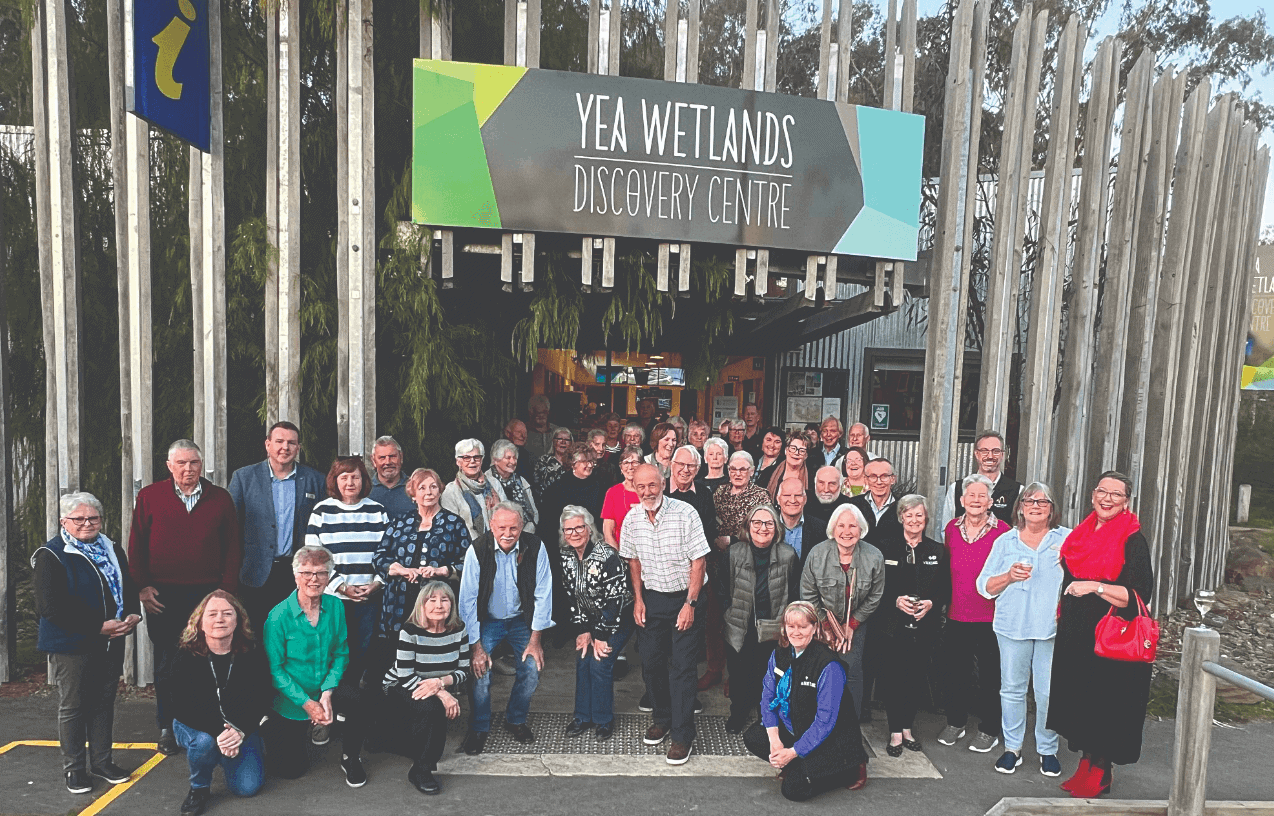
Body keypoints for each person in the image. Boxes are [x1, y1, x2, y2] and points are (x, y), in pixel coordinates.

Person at [130, 439, 241, 755]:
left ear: (201, 464)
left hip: (208, 595)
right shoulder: (150, 497)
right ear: (169, 466)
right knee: (167, 663)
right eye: (181, 463)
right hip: (163, 595)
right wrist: (141, 586)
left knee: (209, 659)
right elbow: (136, 544)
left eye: (194, 462)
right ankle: (167, 725)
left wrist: (226, 591)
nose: (189, 469)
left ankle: (209, 721)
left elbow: (233, 547)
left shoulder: (220, 499)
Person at [1047, 472, 1153, 799]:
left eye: (1116, 495)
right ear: (1093, 494)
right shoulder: (1082, 531)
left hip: (1109, 635)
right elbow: (1069, 576)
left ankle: (1101, 772)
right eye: (1102, 492)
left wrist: (1094, 585)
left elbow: (1140, 594)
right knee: (1080, 700)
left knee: (1103, 703)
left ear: (1126, 502)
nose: (1107, 499)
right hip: (1077, 633)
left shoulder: (1132, 538)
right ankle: (1085, 765)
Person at [34, 492, 141, 794]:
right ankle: (74, 770)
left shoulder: (111, 547)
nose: (87, 523)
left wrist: (133, 614)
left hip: (111, 641)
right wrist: (97, 626)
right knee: (74, 706)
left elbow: (126, 585)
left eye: (93, 518)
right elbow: (49, 608)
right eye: (78, 519)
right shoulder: (51, 554)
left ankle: (103, 762)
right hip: (72, 645)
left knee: (103, 703)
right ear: (63, 522)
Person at [977, 482, 1069, 777]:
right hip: (1012, 625)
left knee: (1047, 693)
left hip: (1051, 627)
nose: (1036, 506)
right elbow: (984, 587)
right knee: (1013, 690)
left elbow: (1084, 575)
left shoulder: (1066, 539)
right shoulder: (1005, 541)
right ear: (1020, 508)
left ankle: (1047, 749)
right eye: (1030, 501)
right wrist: (1008, 576)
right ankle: (1012, 748)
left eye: (1043, 502)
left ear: (1052, 509)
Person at [621, 463, 711, 765]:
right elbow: (633, 561)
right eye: (641, 486)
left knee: (683, 668)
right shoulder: (632, 519)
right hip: (652, 598)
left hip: (685, 598)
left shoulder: (686, 513)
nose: (647, 491)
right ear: (634, 487)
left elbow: (699, 562)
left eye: (653, 485)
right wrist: (638, 599)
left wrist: (691, 604)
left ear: (664, 482)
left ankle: (683, 735)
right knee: (651, 662)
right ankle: (662, 718)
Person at [743, 601, 869, 801]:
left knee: (794, 790)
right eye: (791, 626)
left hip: (830, 739)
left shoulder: (829, 665)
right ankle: (800, 766)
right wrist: (776, 742)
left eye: (803, 627)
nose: (796, 632)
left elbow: (825, 722)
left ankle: (850, 766)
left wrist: (792, 753)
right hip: (797, 727)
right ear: (784, 628)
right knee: (753, 737)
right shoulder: (779, 654)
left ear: (815, 628)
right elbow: (767, 699)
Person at [457, 502, 554, 755]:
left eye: (513, 527)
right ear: (491, 526)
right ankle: (479, 727)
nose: (508, 533)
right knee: (479, 672)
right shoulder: (477, 550)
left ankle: (516, 719)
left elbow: (543, 594)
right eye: (502, 528)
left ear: (522, 526)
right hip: (487, 620)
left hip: (522, 620)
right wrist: (476, 647)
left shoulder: (535, 546)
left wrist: (536, 640)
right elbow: (467, 599)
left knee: (531, 669)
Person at [261, 545, 361, 786]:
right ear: (295, 576)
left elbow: (341, 653)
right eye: (306, 572)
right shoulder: (277, 617)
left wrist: (327, 694)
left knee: (358, 700)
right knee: (291, 770)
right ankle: (270, 726)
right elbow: (275, 670)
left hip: (326, 687)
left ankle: (351, 757)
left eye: (321, 572)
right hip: (293, 699)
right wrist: (307, 703)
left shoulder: (336, 606)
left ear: (329, 577)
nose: (314, 579)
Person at [169, 591, 270, 815]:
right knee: (204, 743)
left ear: (238, 620)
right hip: (196, 725)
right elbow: (180, 705)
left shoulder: (252, 653)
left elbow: (262, 698)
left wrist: (240, 732)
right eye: (212, 614)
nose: (219, 619)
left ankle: (228, 753)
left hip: (239, 728)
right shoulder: (185, 655)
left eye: (227, 613)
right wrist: (220, 734)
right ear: (200, 622)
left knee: (247, 788)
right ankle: (199, 788)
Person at [228, 422, 324, 642]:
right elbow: (231, 527)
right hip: (255, 574)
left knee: (296, 636)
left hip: (297, 574)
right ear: (267, 444)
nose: (285, 447)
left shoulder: (315, 480)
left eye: (291, 442)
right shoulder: (244, 478)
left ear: (298, 448)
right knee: (254, 637)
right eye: (279, 441)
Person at [937, 473, 1010, 753]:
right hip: (957, 613)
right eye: (971, 496)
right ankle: (956, 722)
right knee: (957, 673)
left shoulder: (1003, 531)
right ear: (961, 500)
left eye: (982, 496)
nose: (976, 500)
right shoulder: (951, 529)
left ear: (990, 501)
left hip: (991, 616)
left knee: (991, 676)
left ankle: (989, 728)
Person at [378, 581, 470, 795]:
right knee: (432, 708)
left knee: (431, 707)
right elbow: (404, 675)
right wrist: (442, 692)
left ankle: (423, 762)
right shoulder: (410, 631)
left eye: (444, 600)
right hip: (398, 685)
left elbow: (464, 670)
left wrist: (439, 683)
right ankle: (421, 770)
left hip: (430, 686)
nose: (439, 605)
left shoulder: (459, 629)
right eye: (432, 600)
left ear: (451, 605)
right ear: (422, 605)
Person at [305, 456, 389, 691]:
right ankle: (332, 702)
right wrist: (341, 586)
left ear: (364, 480)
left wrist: (376, 584)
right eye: (344, 477)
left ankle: (352, 705)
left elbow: (388, 553)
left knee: (362, 653)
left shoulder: (377, 512)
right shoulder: (322, 512)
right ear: (335, 480)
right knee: (335, 651)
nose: (350, 482)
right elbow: (314, 556)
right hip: (334, 597)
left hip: (369, 597)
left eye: (356, 476)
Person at [875, 495, 949, 757]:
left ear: (926, 518)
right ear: (901, 518)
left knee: (915, 679)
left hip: (924, 627)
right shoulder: (886, 548)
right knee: (894, 678)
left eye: (919, 515)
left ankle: (908, 728)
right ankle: (895, 731)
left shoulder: (937, 550)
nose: (914, 520)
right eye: (909, 515)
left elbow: (946, 589)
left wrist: (931, 603)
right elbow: (877, 587)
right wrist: (895, 601)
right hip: (892, 627)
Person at [799, 503, 885, 720]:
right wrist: (827, 628)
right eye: (841, 526)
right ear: (832, 529)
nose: (847, 532)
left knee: (852, 671)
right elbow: (808, 593)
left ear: (861, 529)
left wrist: (852, 625)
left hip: (855, 621)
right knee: (820, 669)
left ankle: (850, 724)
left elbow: (875, 595)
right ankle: (816, 722)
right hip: (822, 621)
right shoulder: (817, 554)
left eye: (852, 526)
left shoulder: (874, 556)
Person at [721, 504, 800, 733]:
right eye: (757, 522)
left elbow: (794, 591)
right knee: (738, 675)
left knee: (766, 676)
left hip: (772, 627)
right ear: (748, 526)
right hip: (740, 625)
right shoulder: (734, 553)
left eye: (768, 523)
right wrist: (729, 613)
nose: (762, 528)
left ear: (776, 528)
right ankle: (738, 714)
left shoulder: (788, 555)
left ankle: (764, 716)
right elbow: (723, 587)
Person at [558, 506, 634, 742]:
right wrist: (582, 630)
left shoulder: (607, 555)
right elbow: (570, 594)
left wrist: (600, 634)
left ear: (589, 529)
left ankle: (603, 719)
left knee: (599, 663)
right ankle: (582, 717)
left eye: (579, 527)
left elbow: (616, 599)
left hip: (618, 619)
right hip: (589, 620)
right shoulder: (566, 555)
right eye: (568, 529)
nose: (574, 533)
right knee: (583, 659)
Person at [373, 468, 472, 638]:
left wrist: (442, 570)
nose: (429, 492)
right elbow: (379, 557)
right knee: (397, 653)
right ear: (413, 494)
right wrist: (400, 569)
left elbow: (470, 563)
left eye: (433, 487)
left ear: (440, 491)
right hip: (399, 602)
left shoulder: (454, 523)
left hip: (437, 602)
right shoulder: (399, 522)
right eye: (422, 488)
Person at [667, 445, 723, 692]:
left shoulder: (704, 493)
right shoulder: (660, 491)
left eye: (691, 466)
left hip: (695, 568)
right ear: (671, 465)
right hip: (664, 571)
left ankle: (686, 689)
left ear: (698, 470)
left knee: (692, 630)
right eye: (680, 464)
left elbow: (709, 531)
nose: (685, 470)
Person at [940, 431, 1022, 528]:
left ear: (1002, 455)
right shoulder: (957, 489)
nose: (990, 456)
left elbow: (1020, 530)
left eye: (995, 451)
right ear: (976, 454)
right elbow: (946, 530)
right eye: (984, 451)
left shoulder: (1018, 491)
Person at [540, 443, 607, 551]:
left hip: (592, 546)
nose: (589, 465)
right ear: (572, 463)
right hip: (562, 548)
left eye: (591, 462)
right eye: (584, 462)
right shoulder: (556, 490)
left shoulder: (600, 487)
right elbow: (548, 527)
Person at [714, 451, 773, 551]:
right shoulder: (719, 491)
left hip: (747, 552)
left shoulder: (761, 496)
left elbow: (764, 529)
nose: (737, 474)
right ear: (728, 471)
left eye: (742, 470)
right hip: (718, 552)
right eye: (733, 469)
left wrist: (731, 540)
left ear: (752, 471)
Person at [441, 439, 496, 542]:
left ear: (482, 460)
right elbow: (451, 528)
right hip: (467, 549)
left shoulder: (494, 484)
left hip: (497, 545)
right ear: (458, 461)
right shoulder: (451, 491)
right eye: (466, 458)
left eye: (476, 457)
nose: (472, 461)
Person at [486, 438, 539, 533]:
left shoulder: (521, 481)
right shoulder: (487, 481)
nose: (513, 462)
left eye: (514, 458)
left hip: (526, 534)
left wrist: (527, 532)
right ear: (496, 460)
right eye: (508, 458)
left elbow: (534, 513)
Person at [849, 456, 901, 545]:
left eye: (884, 476)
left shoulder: (902, 508)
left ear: (893, 479)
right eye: (873, 476)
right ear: (866, 480)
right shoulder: (853, 506)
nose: (879, 482)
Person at [776, 477, 825, 569]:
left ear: (805, 499)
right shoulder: (767, 526)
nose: (793, 500)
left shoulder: (820, 528)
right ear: (778, 499)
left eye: (798, 495)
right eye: (787, 495)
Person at [601, 446, 644, 549]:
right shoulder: (613, 493)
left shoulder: (649, 491)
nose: (630, 467)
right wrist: (619, 558)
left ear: (642, 466)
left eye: (634, 462)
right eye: (626, 463)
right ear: (620, 467)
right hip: (620, 552)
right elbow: (608, 533)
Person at [369, 435, 414, 519]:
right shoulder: (365, 490)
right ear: (373, 461)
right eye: (382, 458)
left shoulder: (416, 487)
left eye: (392, 456)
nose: (388, 462)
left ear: (401, 457)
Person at [765, 430, 814, 500]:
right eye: (793, 448)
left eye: (802, 450)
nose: (797, 453)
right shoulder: (769, 472)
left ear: (806, 456)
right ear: (786, 450)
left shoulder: (812, 477)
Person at [533, 427, 575, 502]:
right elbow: (536, 486)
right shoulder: (543, 461)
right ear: (553, 441)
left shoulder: (575, 462)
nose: (563, 442)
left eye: (567, 440)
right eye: (559, 439)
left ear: (571, 443)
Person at [525, 394, 564, 461]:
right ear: (531, 413)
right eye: (538, 412)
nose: (542, 415)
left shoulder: (557, 431)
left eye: (544, 412)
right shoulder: (525, 431)